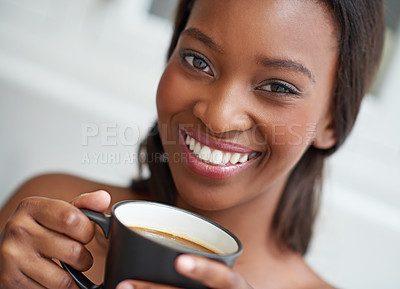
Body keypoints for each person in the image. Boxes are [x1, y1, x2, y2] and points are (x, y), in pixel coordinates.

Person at [0, 0, 385, 288]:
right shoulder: (44, 233)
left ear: (333, 120)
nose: (217, 117)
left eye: (277, 86)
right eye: (198, 61)